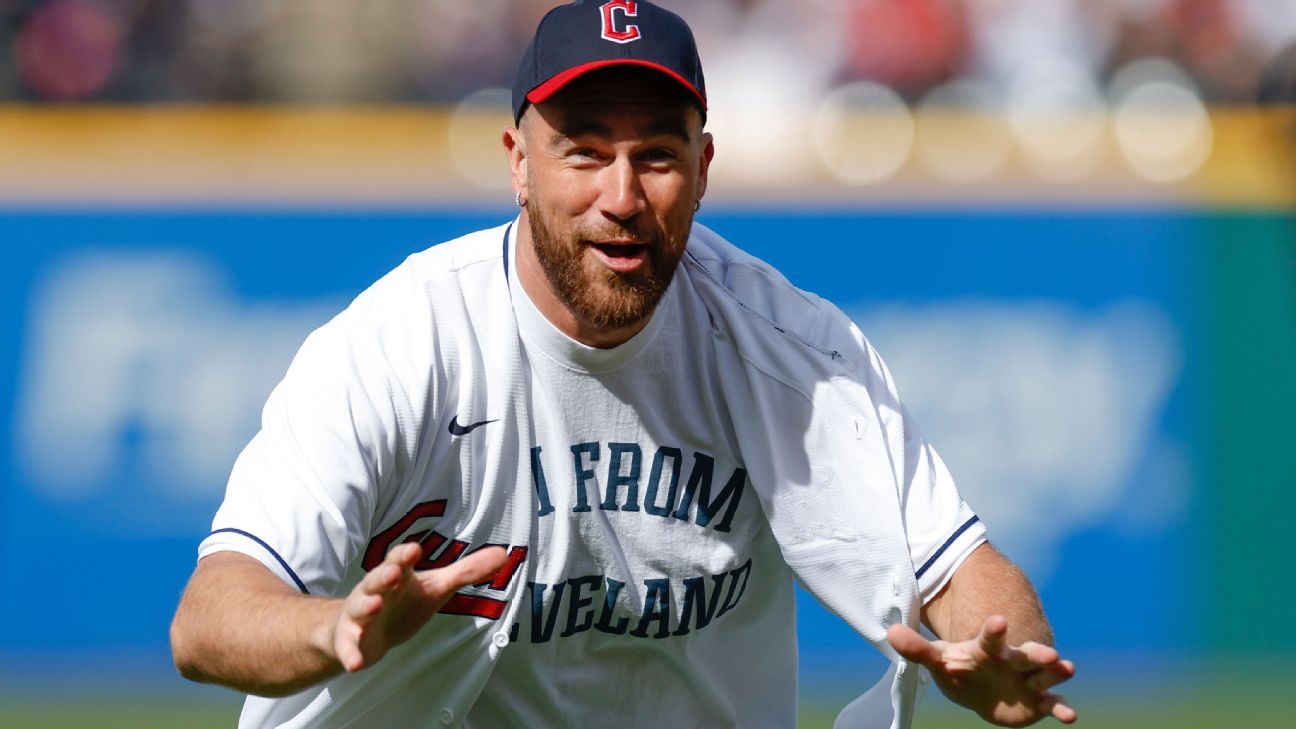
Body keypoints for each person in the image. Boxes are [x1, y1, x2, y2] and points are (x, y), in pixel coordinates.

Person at [170, 2, 1076, 727]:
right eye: (584, 151)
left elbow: (963, 575)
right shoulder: (400, 346)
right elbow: (209, 616)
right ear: (517, 161)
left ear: (705, 165)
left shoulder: (796, 354)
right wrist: (331, 624)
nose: (622, 196)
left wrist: (1003, 652)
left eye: (657, 154)